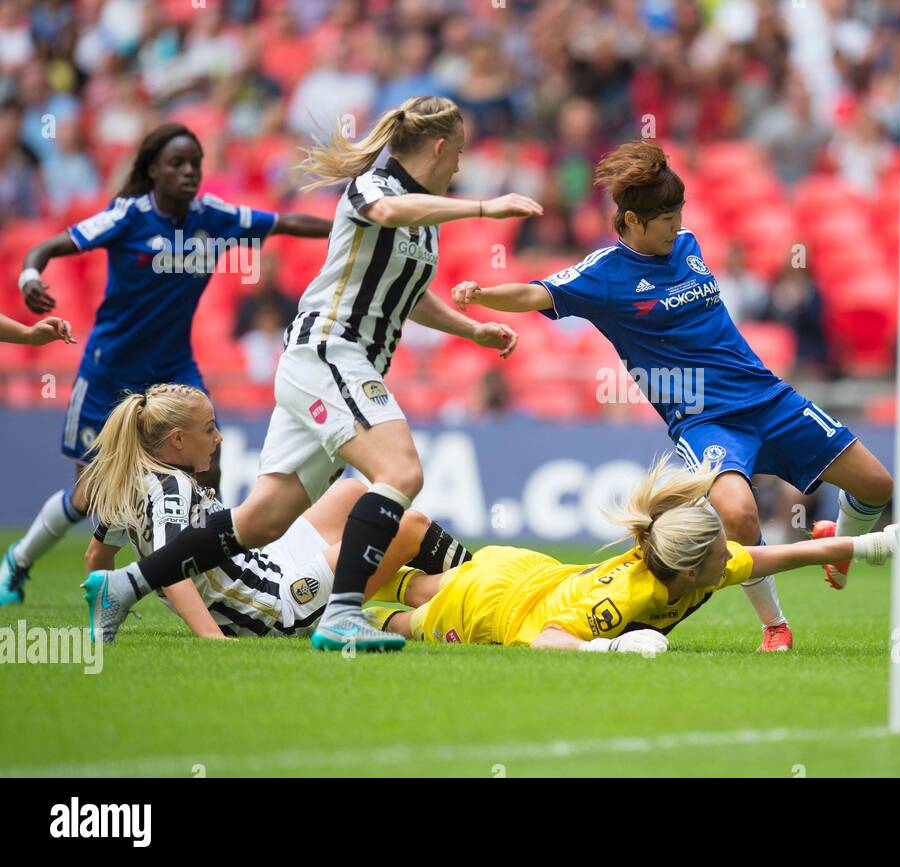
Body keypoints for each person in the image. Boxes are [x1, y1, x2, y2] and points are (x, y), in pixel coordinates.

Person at [84, 96, 542, 652]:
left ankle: (123, 586)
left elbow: (408, 293)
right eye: (460, 154)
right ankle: (343, 614)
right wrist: (484, 209)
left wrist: (472, 332)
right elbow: (388, 214)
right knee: (399, 472)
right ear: (440, 146)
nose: (460, 168)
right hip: (329, 351)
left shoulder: (427, 220)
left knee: (260, 522)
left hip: (334, 365)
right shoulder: (376, 189)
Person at [451, 140, 895, 653]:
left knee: (877, 485)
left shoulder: (688, 245)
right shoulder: (604, 276)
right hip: (706, 420)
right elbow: (535, 292)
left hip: (767, 397)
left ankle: (837, 544)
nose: (677, 224)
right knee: (740, 515)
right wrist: (483, 294)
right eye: (666, 217)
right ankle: (775, 626)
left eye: (679, 212)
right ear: (634, 221)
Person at [0, 123, 331, 606]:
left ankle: (211, 575)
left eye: (195, 164)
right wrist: (31, 274)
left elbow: (284, 223)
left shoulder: (212, 217)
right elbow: (47, 248)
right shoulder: (127, 218)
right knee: (90, 495)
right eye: (177, 164)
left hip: (175, 370)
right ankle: (19, 562)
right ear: (153, 169)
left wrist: (353, 226)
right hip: (108, 372)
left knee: (208, 469)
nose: (188, 173)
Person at [366, 455, 900, 654]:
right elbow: (548, 640)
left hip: (526, 571)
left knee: (415, 584)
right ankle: (324, 606)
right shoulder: (627, 597)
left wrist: (884, 543)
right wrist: (612, 646)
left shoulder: (710, 565)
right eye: (724, 550)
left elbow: (799, 553)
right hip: (493, 606)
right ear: (691, 571)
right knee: (396, 621)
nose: (737, 556)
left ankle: (349, 577)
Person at [81, 384, 469, 640]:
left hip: (267, 563)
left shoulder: (133, 483)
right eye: (209, 428)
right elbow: (172, 573)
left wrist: (104, 613)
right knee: (406, 525)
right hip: (274, 603)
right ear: (177, 440)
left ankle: (452, 583)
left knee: (352, 491)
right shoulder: (172, 488)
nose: (218, 438)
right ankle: (480, 577)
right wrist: (212, 638)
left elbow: (97, 556)